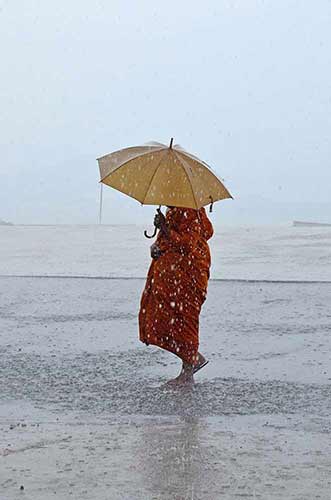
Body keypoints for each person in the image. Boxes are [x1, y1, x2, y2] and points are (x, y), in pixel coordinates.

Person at [139, 205, 214, 386]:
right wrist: (158, 244)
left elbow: (187, 244)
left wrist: (165, 228)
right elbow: (171, 240)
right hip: (173, 277)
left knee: (184, 319)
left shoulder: (190, 211)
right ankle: (192, 359)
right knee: (162, 318)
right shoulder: (174, 210)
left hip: (186, 276)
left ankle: (188, 369)